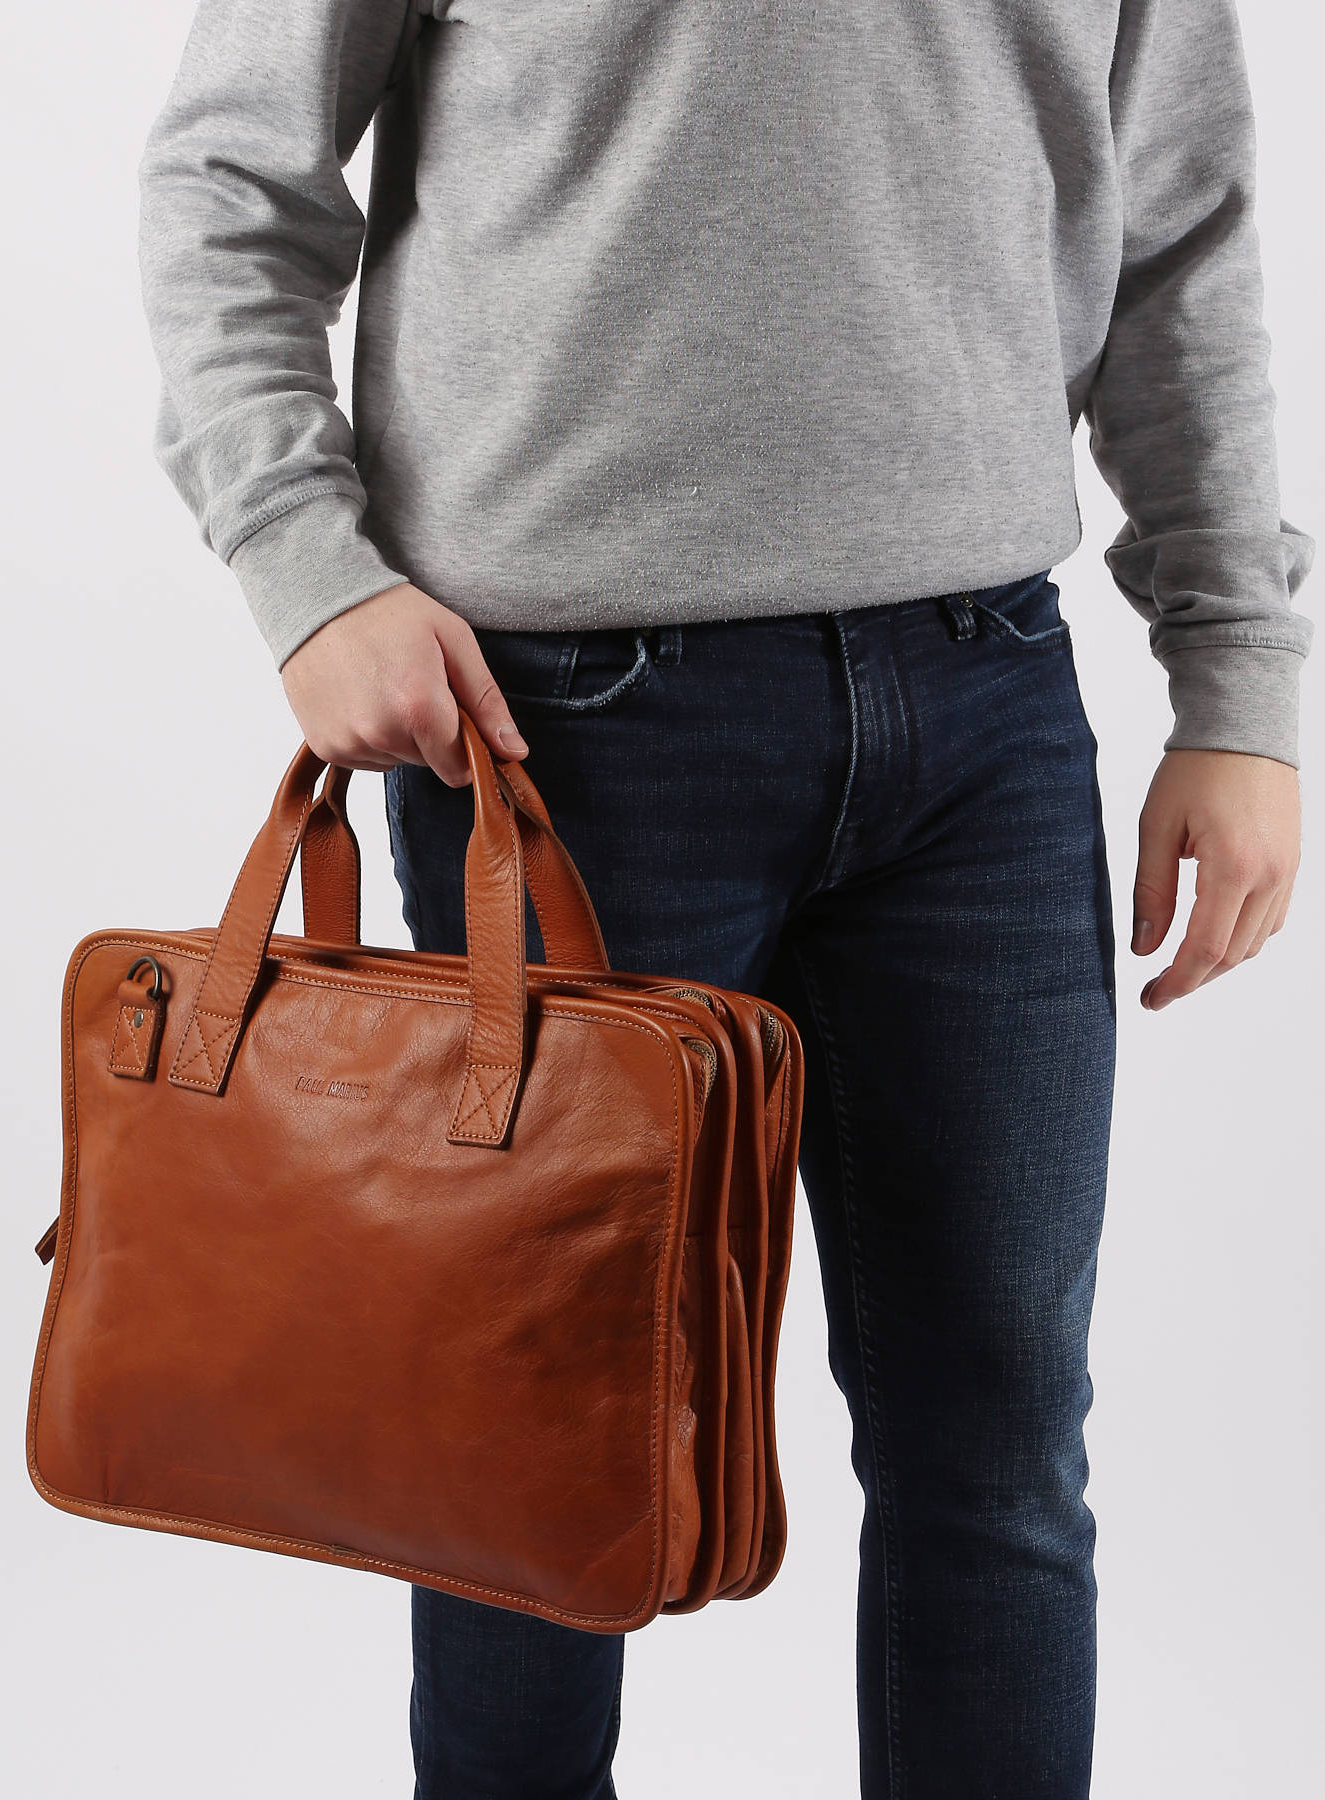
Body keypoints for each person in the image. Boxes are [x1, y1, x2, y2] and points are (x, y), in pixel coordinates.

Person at [135, 3, 1312, 1795]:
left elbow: (1175, 229)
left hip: (984, 708)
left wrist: (1236, 679)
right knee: (528, 1448)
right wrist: (308, 569)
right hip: (558, 740)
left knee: (998, 1445)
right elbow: (231, 174)